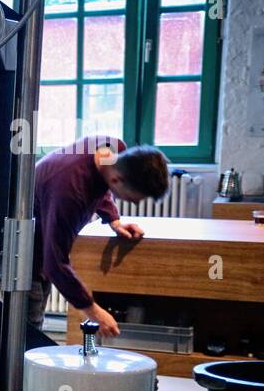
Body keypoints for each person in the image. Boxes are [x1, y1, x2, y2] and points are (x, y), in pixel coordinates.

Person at [29, 136, 169, 343]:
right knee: (27, 326)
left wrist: (113, 220)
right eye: (135, 197)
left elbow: (99, 182)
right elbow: (55, 263)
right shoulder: (69, 191)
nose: (136, 203)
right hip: (18, 242)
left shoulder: (111, 148)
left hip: (45, 227)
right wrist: (93, 311)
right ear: (117, 180)